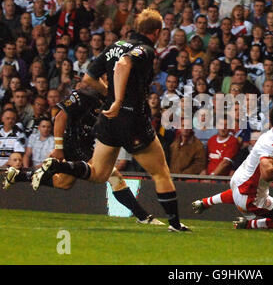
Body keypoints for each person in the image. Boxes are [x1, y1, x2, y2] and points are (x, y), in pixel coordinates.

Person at [32, 9, 189, 232]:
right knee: (160, 172)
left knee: (99, 174)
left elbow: (88, 78)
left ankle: (61, 165)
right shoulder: (145, 49)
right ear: (156, 32)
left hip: (107, 120)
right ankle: (175, 225)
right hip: (132, 120)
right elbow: (124, 64)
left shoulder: (114, 45)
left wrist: (109, 96)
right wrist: (118, 100)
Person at [3, 89, 164, 225]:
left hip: (86, 144)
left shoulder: (117, 104)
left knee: (63, 183)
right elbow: (60, 117)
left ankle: (20, 175)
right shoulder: (83, 96)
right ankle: (143, 216)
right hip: (73, 143)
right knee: (113, 175)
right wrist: (58, 148)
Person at [192, 99, 273, 230]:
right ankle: (249, 224)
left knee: (242, 190)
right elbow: (267, 174)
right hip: (250, 198)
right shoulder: (270, 144)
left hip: (239, 182)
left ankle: (205, 202)